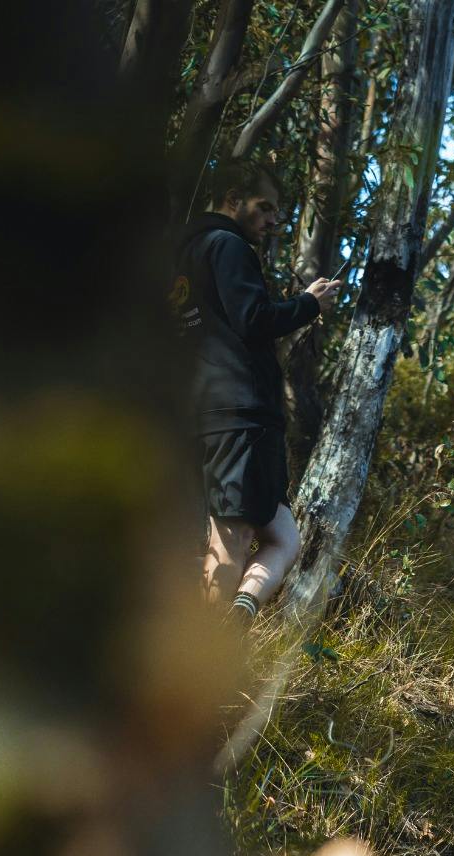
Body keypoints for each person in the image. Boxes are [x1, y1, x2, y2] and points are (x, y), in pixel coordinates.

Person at [172, 160, 342, 622]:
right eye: (265, 208)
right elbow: (253, 318)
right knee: (231, 539)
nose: (273, 220)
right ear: (233, 199)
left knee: (284, 538)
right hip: (238, 417)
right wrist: (309, 303)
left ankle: (235, 621)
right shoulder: (226, 245)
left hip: (205, 414)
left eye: (278, 212)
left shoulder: (185, 254)